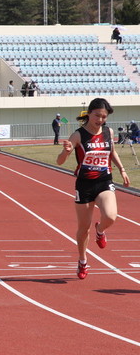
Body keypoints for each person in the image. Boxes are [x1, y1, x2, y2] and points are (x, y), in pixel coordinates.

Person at [56, 98, 130, 280]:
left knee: (111, 216)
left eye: (104, 117)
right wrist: (66, 151)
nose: (100, 120)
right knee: (83, 228)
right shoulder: (78, 135)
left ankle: (101, 230)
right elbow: (60, 161)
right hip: (85, 185)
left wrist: (122, 169)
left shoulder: (108, 132)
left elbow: (112, 152)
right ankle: (82, 260)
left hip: (104, 181)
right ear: (88, 114)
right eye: (97, 115)